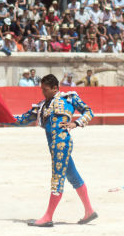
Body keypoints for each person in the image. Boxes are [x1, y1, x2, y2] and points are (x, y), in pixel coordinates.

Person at [9, 74, 96, 227]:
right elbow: (20, 120)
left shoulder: (69, 98)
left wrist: (76, 123)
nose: (43, 92)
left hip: (61, 144)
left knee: (57, 178)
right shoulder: (42, 105)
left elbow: (89, 111)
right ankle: (89, 211)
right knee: (73, 176)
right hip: (54, 146)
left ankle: (48, 217)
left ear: (55, 88)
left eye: (46, 89)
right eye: (42, 89)